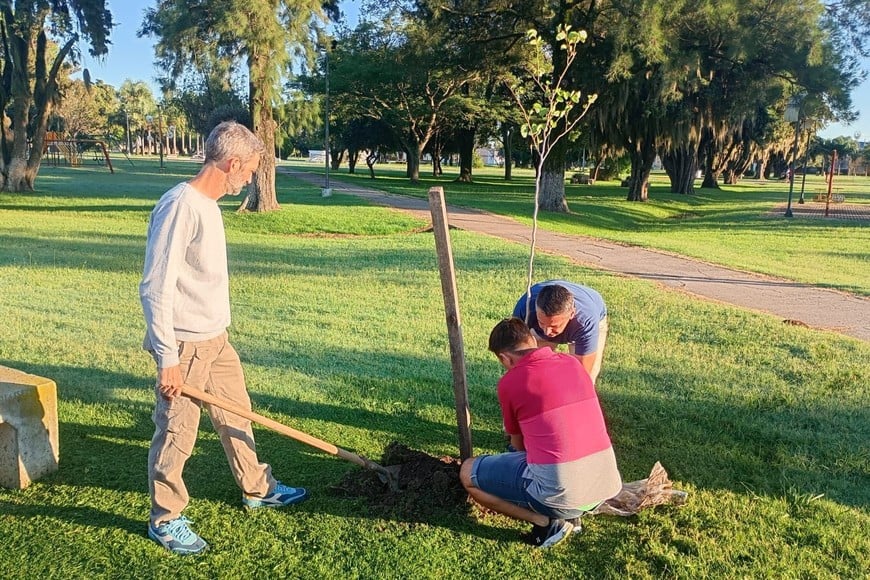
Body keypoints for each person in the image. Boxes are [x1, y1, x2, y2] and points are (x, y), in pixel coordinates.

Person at [139, 121, 307, 556]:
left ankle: (257, 487)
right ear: (232, 164)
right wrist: (166, 359)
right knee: (177, 434)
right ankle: (166, 518)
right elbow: (156, 286)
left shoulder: (209, 206)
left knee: (238, 415)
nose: (250, 178)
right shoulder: (180, 206)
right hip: (185, 347)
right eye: (249, 170)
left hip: (216, 339)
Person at [459, 318, 622, 548]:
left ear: (504, 358)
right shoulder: (571, 362)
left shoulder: (510, 382)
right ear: (532, 340)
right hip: (605, 486)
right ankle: (570, 512)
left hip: (564, 496)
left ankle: (546, 522)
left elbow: (518, 445)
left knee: (468, 473)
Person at [512, 280, 608, 383]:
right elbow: (514, 354)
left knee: (587, 379)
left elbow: (582, 374)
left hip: (591, 312)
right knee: (533, 369)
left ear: (572, 314)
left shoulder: (586, 323)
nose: (547, 332)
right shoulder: (525, 308)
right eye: (542, 323)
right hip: (538, 316)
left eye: (554, 326)